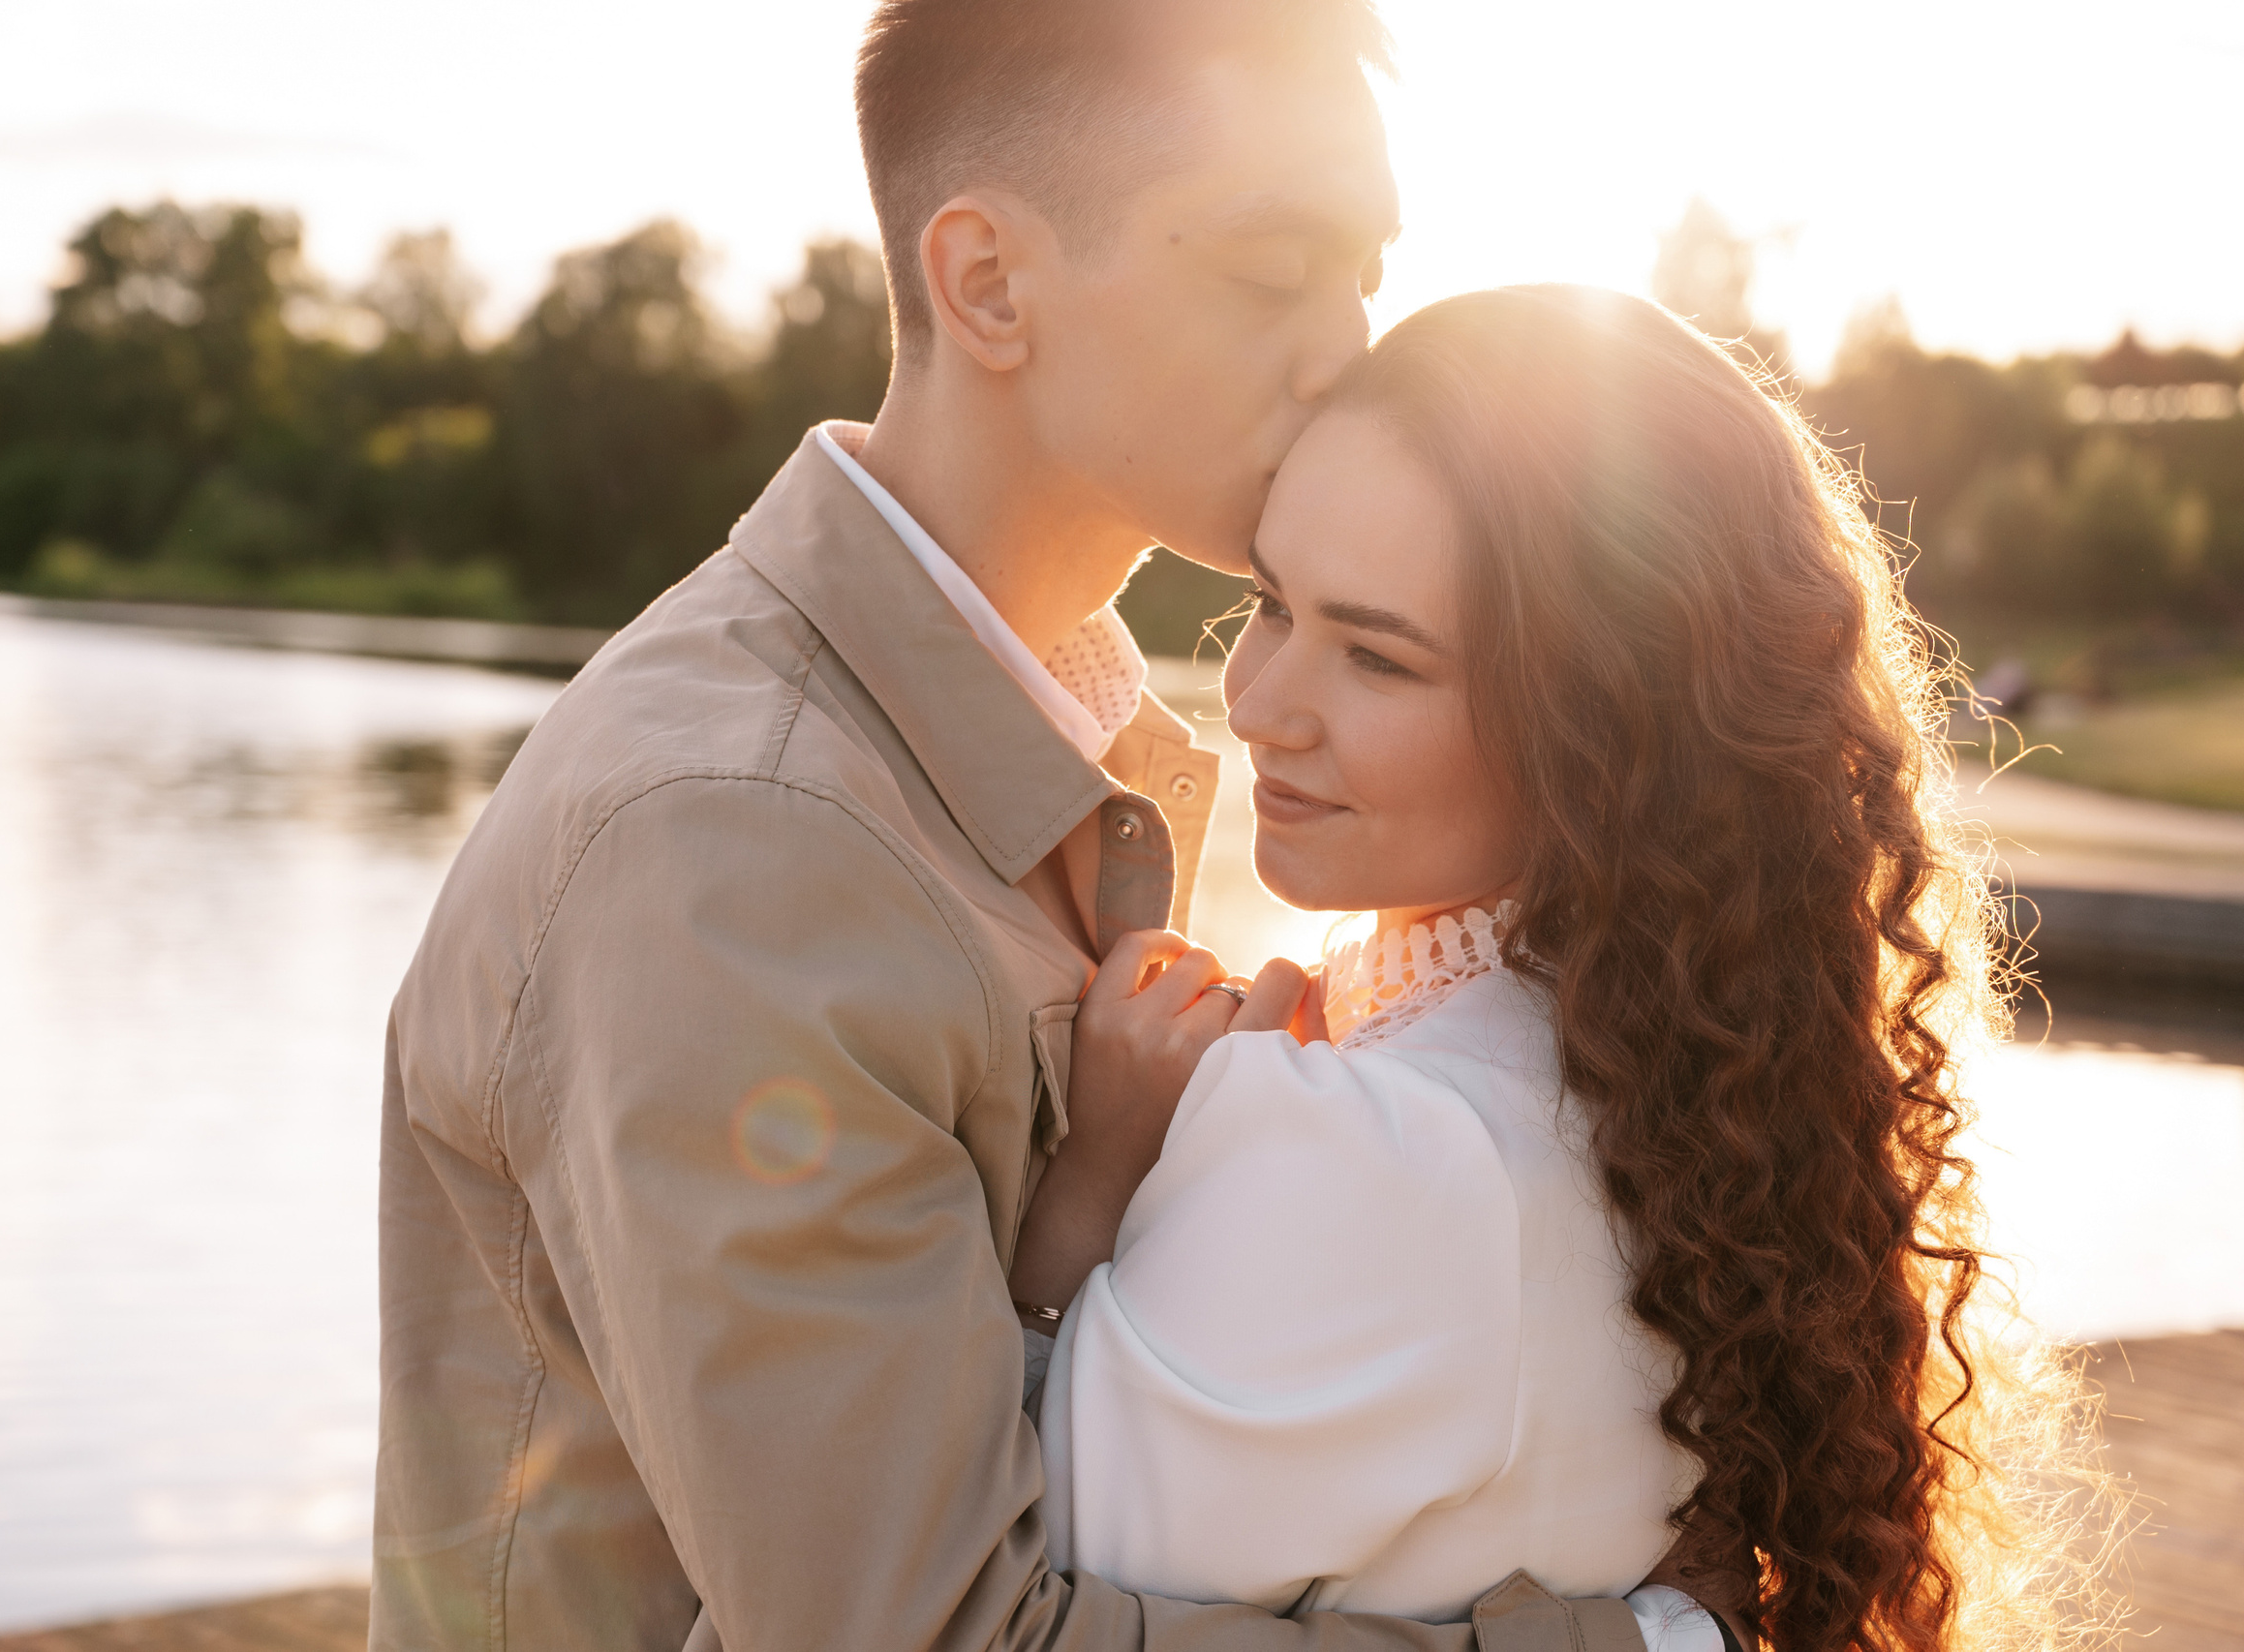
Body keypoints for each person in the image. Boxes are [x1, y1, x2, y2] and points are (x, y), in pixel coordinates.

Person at [371, 0, 1743, 1646]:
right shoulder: (739, 841)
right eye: (1269, 268)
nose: (1344, 350)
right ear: (989, 283)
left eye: (1363, 270)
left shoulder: (1044, 757)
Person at [1007, 287, 2083, 1652]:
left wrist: (1091, 1191)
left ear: (1595, 731)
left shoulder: (1380, 1151)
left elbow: (973, 1600)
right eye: (1274, 601)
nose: (1260, 699)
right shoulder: (1691, 1097)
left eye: (1379, 656)